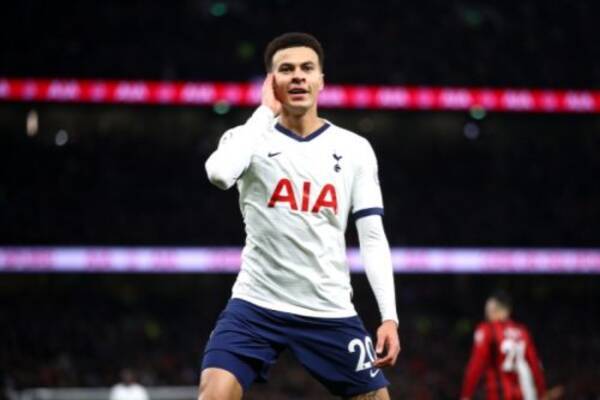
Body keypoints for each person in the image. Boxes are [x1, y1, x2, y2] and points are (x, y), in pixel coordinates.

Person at [200, 32, 400, 400]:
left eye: (307, 68)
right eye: (286, 69)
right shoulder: (247, 138)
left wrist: (389, 316)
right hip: (256, 304)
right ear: (271, 82)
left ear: (321, 80)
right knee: (213, 393)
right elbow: (219, 174)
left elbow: (372, 237)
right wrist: (264, 112)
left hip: (328, 309)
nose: (297, 76)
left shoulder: (354, 149)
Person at [461, 291, 548, 400]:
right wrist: (542, 392)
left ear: (504, 310)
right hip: (524, 394)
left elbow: (476, 364)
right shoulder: (522, 332)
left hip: (499, 394)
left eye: (491, 310)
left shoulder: (487, 330)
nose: (488, 314)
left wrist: (466, 394)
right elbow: (535, 365)